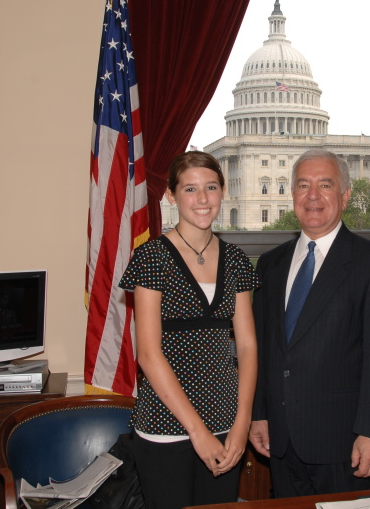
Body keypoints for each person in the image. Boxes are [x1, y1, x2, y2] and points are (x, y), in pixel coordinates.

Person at [249, 149, 370, 498]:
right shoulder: (270, 266)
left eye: (325, 184)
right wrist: (258, 413)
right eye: (303, 185)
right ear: (292, 195)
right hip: (280, 439)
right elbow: (263, 349)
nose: (313, 195)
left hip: (346, 444)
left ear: (345, 195)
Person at [119, 151, 258, 509]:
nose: (202, 199)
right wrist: (198, 432)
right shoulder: (151, 258)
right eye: (190, 189)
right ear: (171, 195)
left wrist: (242, 423)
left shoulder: (237, 260)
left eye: (210, 187)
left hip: (226, 421)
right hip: (165, 424)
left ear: (223, 191)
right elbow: (148, 354)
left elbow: (247, 347)